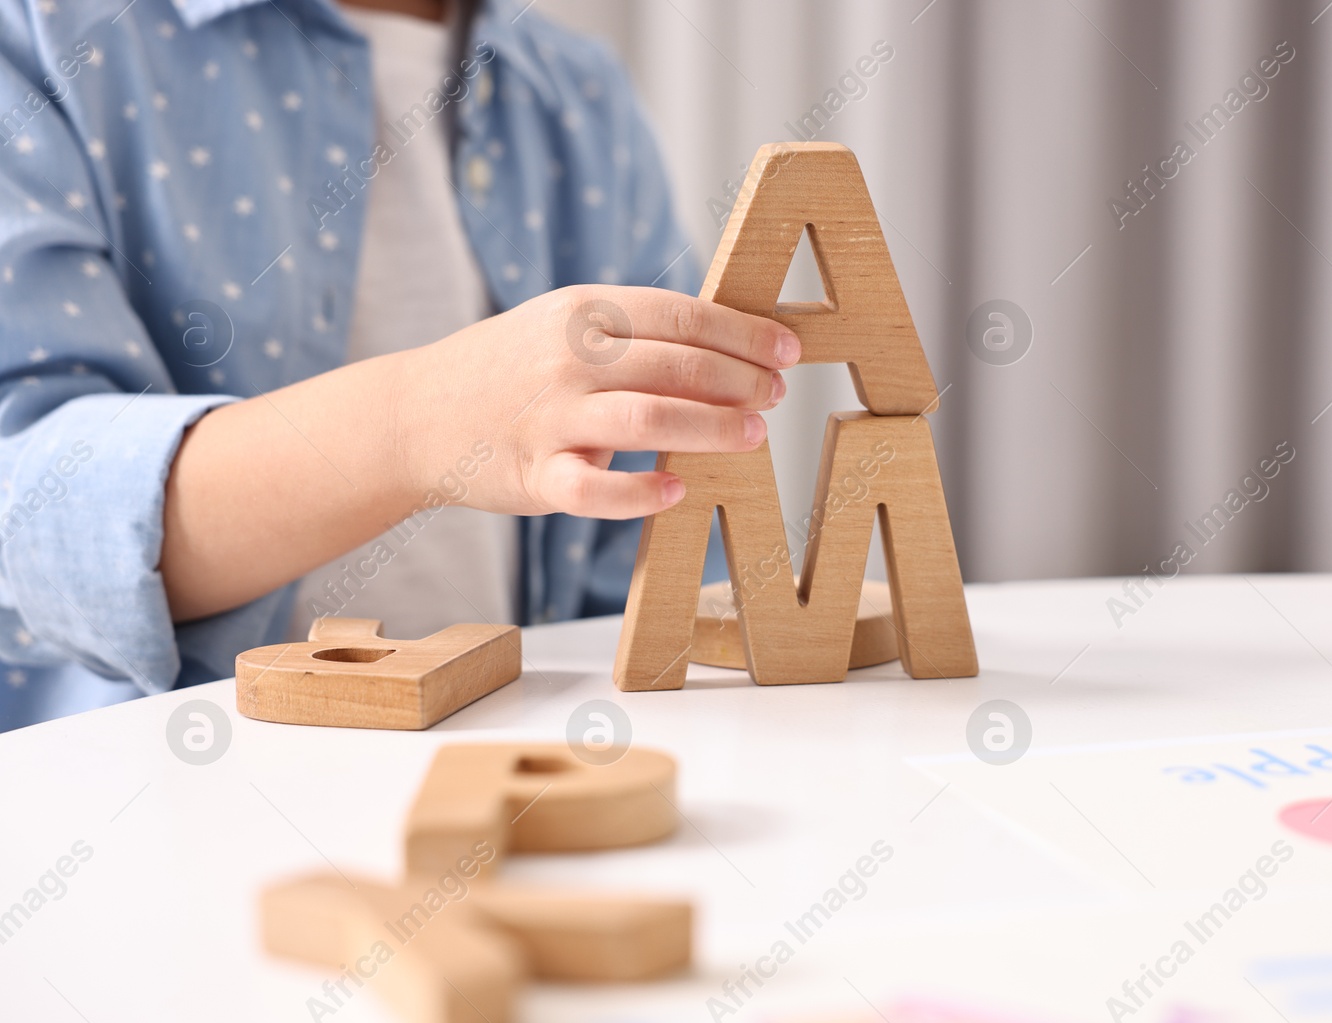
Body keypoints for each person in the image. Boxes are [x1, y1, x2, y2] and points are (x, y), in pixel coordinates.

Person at [0, 0, 795, 728]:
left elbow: (658, 557)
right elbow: (31, 508)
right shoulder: (50, 36)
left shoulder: (579, 95)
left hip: (517, 780)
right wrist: (426, 419)